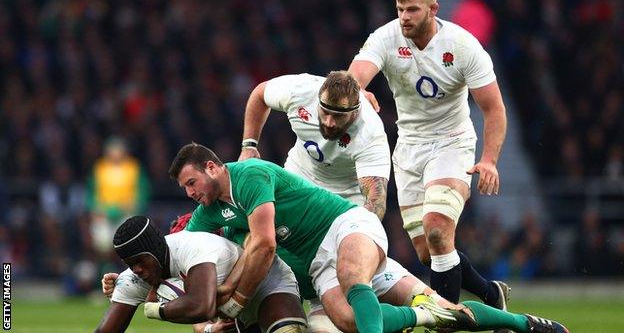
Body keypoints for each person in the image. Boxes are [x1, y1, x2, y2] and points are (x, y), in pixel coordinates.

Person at [102, 215, 569, 333]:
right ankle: (521, 323)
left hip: (343, 253)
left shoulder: (254, 202)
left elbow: (252, 256)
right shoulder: (216, 224)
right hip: (318, 274)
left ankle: (515, 321)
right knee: (442, 313)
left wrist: (220, 308)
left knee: (347, 317)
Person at [348, 0, 509, 316]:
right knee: (428, 252)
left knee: (437, 229)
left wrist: (490, 160)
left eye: (413, 10)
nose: (404, 18)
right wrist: (357, 91)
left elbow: (494, 108)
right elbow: (355, 76)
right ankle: (489, 293)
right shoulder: (386, 37)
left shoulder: (463, 46)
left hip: (452, 142)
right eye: (400, 10)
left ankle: (445, 318)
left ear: (433, 10)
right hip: (408, 147)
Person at [237, 70, 428, 331]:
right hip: (298, 182)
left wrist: (358, 242)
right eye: (324, 111)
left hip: (340, 206)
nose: (328, 121)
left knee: (346, 292)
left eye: (338, 116)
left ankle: (416, 308)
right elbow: (260, 93)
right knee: (259, 238)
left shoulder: (370, 133)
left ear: (356, 110)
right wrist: (249, 144)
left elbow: (376, 199)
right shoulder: (300, 90)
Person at [94, 215, 307, 333]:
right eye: (130, 265)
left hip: (266, 285)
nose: (137, 270)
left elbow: (201, 306)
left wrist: (155, 310)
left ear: (157, 249)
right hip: (232, 314)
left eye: (140, 261)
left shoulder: (193, 248)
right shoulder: (137, 274)